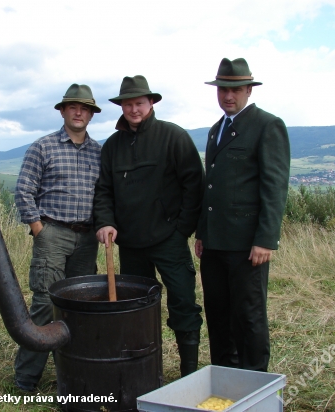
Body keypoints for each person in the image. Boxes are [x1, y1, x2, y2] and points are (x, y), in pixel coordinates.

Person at [94, 75, 204, 377]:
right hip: (130, 244)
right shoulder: (112, 147)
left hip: (169, 239)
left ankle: (188, 374)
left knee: (183, 302)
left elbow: (194, 185)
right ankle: (142, 372)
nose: (133, 109)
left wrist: (182, 228)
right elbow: (104, 190)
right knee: (137, 309)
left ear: (151, 103)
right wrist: (105, 222)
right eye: (127, 104)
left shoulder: (173, 137)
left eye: (139, 103)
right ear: (121, 106)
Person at [194, 58, 291, 372]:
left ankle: (255, 383)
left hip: (248, 245)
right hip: (215, 243)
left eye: (235, 89)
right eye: (223, 89)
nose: (228, 95)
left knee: (248, 315)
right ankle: (224, 377)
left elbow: (274, 186)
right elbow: (212, 187)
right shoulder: (215, 131)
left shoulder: (267, 125)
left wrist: (266, 239)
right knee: (218, 313)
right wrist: (202, 232)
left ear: (249, 89)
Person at [13, 84, 102, 391]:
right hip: (53, 234)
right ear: (63, 111)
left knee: (81, 306)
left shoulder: (98, 152)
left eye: (85, 108)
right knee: (44, 305)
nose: (79, 112)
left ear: (91, 114)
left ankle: (75, 376)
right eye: (73, 107)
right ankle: (26, 380)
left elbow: (104, 196)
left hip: (87, 239)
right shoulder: (43, 147)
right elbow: (24, 191)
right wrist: (40, 230)